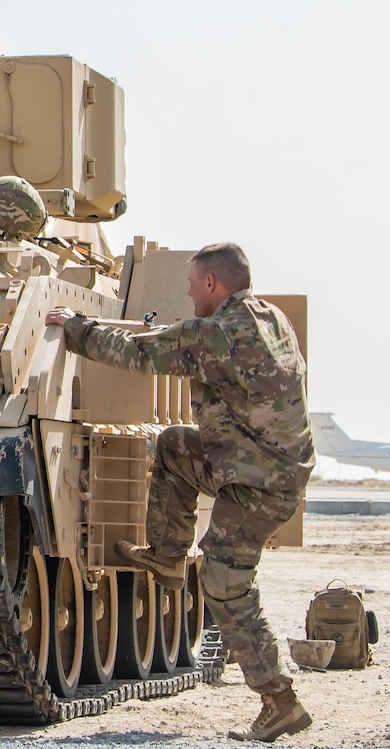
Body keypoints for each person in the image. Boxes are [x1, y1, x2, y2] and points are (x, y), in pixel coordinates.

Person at [45, 242, 314, 742]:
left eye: (192, 282)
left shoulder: (215, 335)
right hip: (267, 465)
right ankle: (168, 556)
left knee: (224, 584)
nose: (187, 291)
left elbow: (137, 353)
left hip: (255, 483)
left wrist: (74, 325)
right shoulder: (272, 318)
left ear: (213, 284)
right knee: (174, 446)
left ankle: (281, 701)